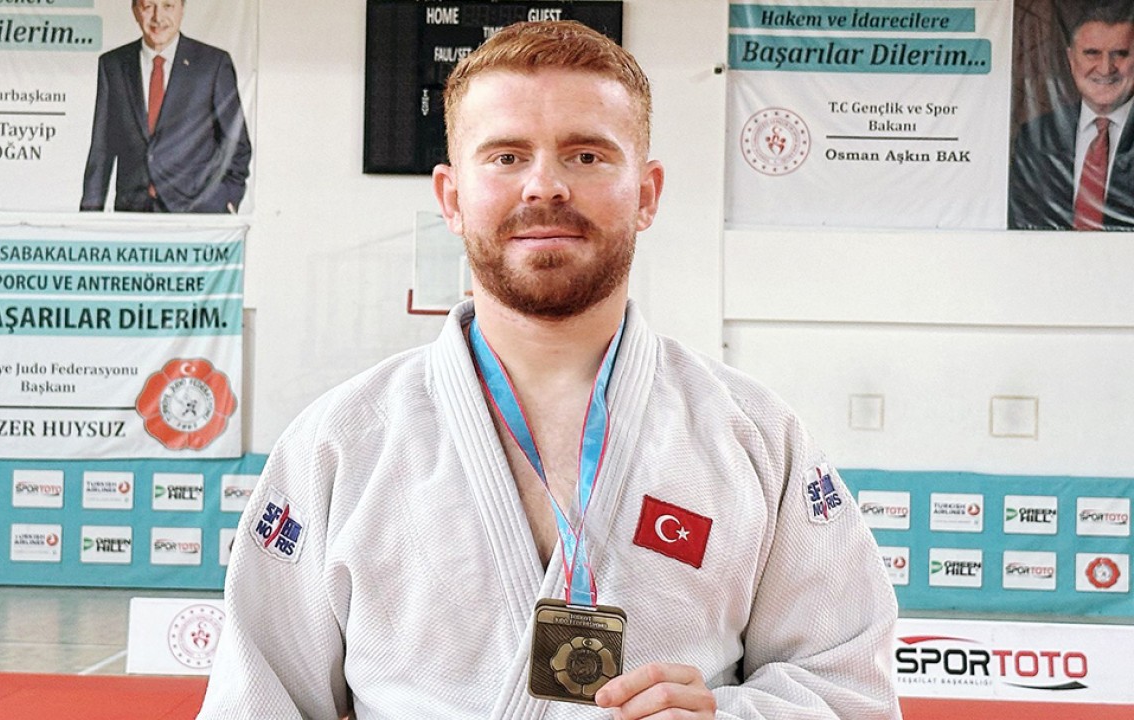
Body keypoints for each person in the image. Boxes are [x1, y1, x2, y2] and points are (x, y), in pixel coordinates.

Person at [199, 21, 900, 720]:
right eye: (506, 156)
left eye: (586, 155)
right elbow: (253, 704)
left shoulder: (757, 438)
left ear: (647, 194)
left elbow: (851, 693)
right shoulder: (340, 445)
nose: (545, 186)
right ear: (451, 198)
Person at [80, 0, 252, 213]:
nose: (158, 17)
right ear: (135, 11)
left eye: (168, 6)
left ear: (182, 9)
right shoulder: (113, 65)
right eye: (148, 6)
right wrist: (89, 216)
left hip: (198, 211)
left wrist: (227, 199)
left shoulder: (212, 64)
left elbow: (237, 144)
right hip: (133, 212)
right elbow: (102, 149)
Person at [1009, 2, 1134, 230]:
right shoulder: (1035, 138)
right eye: (1092, 53)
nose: (1105, 68)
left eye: (1120, 54)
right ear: (1071, 59)